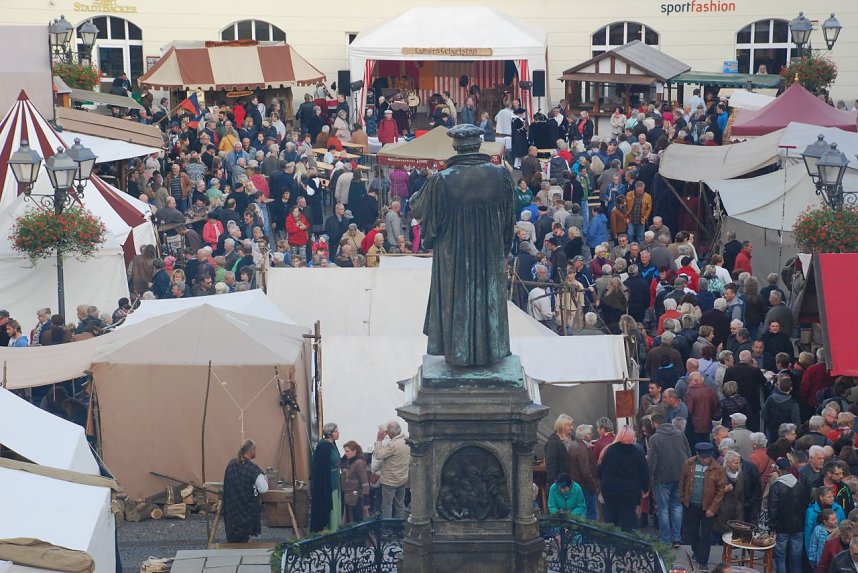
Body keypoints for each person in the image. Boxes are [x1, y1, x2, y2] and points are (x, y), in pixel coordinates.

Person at [680, 442, 726, 572]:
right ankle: (696, 551)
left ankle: (703, 561)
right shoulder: (688, 464)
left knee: (706, 535)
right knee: (692, 532)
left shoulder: (717, 468)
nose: (705, 460)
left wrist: (713, 508)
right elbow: (682, 481)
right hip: (691, 506)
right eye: (703, 457)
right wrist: (683, 498)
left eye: (707, 457)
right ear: (698, 455)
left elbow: (720, 490)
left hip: (708, 507)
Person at [648, 412, 690, 546]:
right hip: (680, 476)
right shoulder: (680, 434)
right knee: (677, 507)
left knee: (663, 509)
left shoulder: (655, 439)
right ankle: (676, 538)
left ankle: (665, 539)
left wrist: (650, 479)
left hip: (662, 478)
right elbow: (688, 454)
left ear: (654, 423)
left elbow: (652, 462)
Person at [598, 425, 650, 531]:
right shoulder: (637, 452)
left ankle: (614, 541)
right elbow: (644, 472)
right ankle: (627, 541)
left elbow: (600, 469)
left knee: (612, 518)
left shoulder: (610, 450)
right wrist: (645, 488)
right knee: (628, 518)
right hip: (629, 491)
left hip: (610, 489)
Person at [222, 439, 268, 543]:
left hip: (232, 510)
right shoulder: (253, 469)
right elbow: (264, 489)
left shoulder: (231, 463)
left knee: (234, 538)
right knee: (242, 539)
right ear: (252, 451)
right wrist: (265, 479)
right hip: (246, 512)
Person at [374, 421, 410, 519]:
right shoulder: (407, 440)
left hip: (390, 480)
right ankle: (399, 525)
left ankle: (388, 527)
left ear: (390, 433)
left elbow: (378, 455)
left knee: (387, 505)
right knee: (400, 504)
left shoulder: (393, 445)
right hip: (402, 478)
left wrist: (379, 440)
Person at [310, 422, 341, 532]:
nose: (338, 433)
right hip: (327, 482)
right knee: (327, 505)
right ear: (330, 433)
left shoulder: (332, 444)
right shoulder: (324, 446)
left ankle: (335, 528)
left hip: (334, 479)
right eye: (336, 431)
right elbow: (320, 467)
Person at [342, 441, 370, 524]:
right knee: (350, 520)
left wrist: (366, 499)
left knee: (357, 520)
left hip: (356, 497)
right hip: (349, 496)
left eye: (347, 451)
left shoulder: (359, 463)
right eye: (345, 451)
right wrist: (343, 460)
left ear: (355, 451)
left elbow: (364, 482)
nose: (346, 453)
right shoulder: (351, 462)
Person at [545, 414, 573, 485]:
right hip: (560, 480)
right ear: (562, 426)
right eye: (569, 425)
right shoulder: (553, 442)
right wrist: (553, 483)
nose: (572, 427)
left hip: (572, 479)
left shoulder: (573, 438)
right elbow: (551, 464)